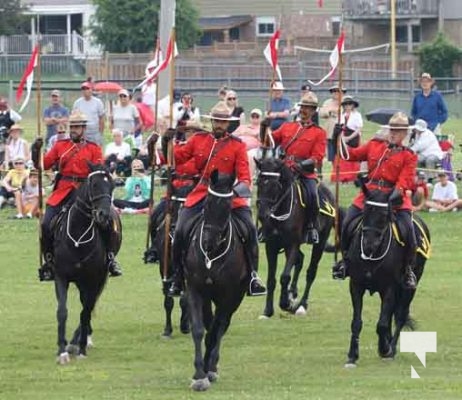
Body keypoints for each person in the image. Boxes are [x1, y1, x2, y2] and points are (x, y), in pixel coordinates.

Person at [166, 102, 266, 297]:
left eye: (223, 121)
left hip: (227, 195)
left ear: (228, 124)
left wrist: (234, 194)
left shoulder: (238, 146)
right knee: (179, 231)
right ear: (211, 121)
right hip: (202, 193)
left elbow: (245, 178)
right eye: (217, 121)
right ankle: (177, 276)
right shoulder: (198, 140)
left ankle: (253, 276)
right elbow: (176, 158)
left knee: (250, 230)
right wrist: (166, 142)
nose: (220, 124)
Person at [31, 110, 123, 281]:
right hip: (64, 191)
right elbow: (42, 165)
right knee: (45, 224)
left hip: (87, 192)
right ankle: (49, 261)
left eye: (76, 127)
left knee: (108, 220)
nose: (73, 130)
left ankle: (110, 257)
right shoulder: (61, 146)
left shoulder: (93, 148)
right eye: (71, 126)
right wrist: (35, 150)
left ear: (83, 128)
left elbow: (99, 171)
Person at [332, 112, 418, 289]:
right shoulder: (374, 145)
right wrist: (338, 137)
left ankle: (408, 269)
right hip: (369, 195)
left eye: (398, 131)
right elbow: (349, 155)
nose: (394, 133)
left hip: (394, 197)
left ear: (404, 134)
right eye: (392, 129)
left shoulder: (409, 155)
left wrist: (394, 195)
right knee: (347, 222)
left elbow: (405, 180)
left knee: (409, 230)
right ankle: (346, 261)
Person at [266, 91, 326, 244]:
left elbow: (317, 157)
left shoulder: (319, 133)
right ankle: (266, 226)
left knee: (313, 195)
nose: (305, 110)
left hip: (304, 173)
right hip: (284, 169)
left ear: (313, 111)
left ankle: (311, 227)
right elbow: (270, 142)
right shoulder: (288, 126)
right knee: (268, 190)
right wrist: (263, 126)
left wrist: (301, 165)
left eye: (309, 108)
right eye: (303, 106)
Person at [330, 95, 362, 183]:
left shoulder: (357, 115)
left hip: (353, 138)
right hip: (342, 137)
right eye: (346, 104)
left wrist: (349, 138)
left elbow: (359, 129)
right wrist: (342, 137)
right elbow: (339, 127)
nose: (348, 106)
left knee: (352, 156)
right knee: (341, 157)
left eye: (349, 104)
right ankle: (340, 177)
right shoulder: (341, 115)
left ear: (353, 105)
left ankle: (352, 177)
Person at [319, 83, 347, 163]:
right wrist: (330, 111)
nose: (335, 93)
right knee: (332, 155)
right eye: (333, 91)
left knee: (342, 153)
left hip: (343, 133)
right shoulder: (327, 103)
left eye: (338, 91)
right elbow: (321, 113)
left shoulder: (346, 102)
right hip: (330, 133)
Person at [233, 108, 263, 178]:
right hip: (239, 148)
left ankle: (248, 178)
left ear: (261, 118)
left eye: (257, 116)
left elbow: (264, 141)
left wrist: (251, 134)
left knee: (250, 155)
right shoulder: (242, 127)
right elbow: (232, 135)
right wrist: (240, 133)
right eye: (253, 116)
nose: (255, 118)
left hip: (255, 149)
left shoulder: (262, 128)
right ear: (250, 118)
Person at [0, 97, 22, 164]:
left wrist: (10, 110)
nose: (3, 108)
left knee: (6, 155)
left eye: (4, 106)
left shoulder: (11, 114)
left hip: (8, 138)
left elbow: (19, 119)